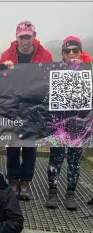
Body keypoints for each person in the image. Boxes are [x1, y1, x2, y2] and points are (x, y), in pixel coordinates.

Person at [0, 20, 53, 200]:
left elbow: (49, 79)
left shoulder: (45, 54)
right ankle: (13, 179)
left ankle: (26, 181)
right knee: (12, 144)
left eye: (28, 37)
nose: (25, 40)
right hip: (14, 106)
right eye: (21, 37)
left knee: (30, 146)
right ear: (17, 37)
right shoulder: (7, 54)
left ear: (34, 37)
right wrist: (4, 69)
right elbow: (0, 79)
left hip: (34, 106)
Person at [45, 36, 92, 210]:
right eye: (67, 50)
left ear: (80, 52)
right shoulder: (52, 69)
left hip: (79, 124)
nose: (71, 53)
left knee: (75, 160)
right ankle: (53, 192)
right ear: (62, 53)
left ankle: (70, 194)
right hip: (58, 123)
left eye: (75, 50)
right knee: (55, 159)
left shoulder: (89, 69)